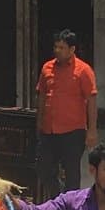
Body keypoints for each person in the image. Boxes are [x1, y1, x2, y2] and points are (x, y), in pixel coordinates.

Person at [35, 29, 97, 199]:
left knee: (72, 173)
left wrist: (92, 130)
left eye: (62, 47)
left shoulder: (83, 70)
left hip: (73, 131)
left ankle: (71, 209)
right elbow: (41, 95)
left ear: (72, 49)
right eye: (56, 47)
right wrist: (39, 122)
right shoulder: (47, 67)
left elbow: (91, 100)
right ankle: (57, 201)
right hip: (49, 130)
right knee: (44, 169)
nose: (57, 50)